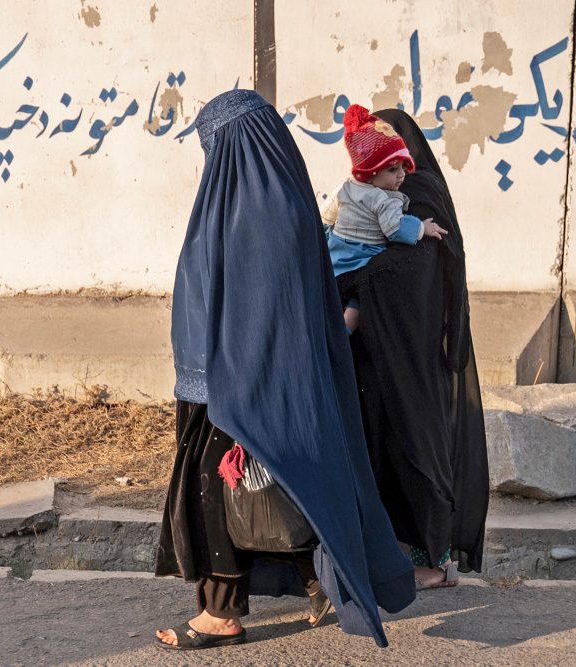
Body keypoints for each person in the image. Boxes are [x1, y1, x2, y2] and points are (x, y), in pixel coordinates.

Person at [153, 89, 415, 651]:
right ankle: (318, 580)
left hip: (239, 382)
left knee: (218, 486)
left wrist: (233, 380)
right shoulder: (276, 202)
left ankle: (221, 613)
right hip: (247, 378)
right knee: (279, 479)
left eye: (216, 146)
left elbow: (259, 305)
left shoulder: (260, 212)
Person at [331, 107, 490, 590]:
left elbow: (415, 271)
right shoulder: (372, 198)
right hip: (378, 359)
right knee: (383, 455)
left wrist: (356, 287)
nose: (397, 174)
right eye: (388, 167)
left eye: (400, 165)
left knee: (416, 454)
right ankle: (397, 558)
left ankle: (434, 567)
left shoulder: (420, 201)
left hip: (414, 359)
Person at [326, 104, 448, 334]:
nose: (402, 175)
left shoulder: (349, 188)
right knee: (356, 303)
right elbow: (396, 229)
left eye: (403, 167)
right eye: (393, 169)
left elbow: (326, 215)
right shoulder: (386, 198)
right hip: (373, 288)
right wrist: (422, 228)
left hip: (338, 264)